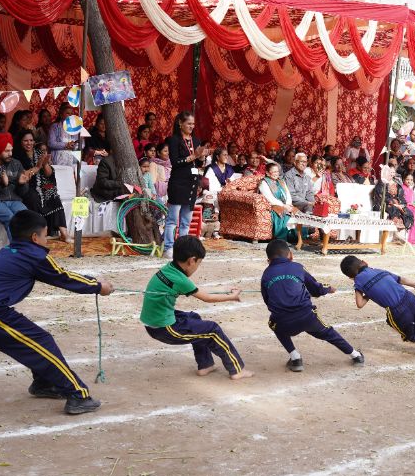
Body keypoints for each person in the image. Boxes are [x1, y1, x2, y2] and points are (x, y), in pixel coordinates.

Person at [0, 211, 112, 414]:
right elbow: (64, 277)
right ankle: (77, 395)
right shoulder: (34, 255)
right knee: (42, 343)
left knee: (35, 342)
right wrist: (98, 286)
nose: (46, 239)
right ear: (34, 237)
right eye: (45, 235)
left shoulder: (10, 251)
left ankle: (44, 383)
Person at [139, 235, 252, 379]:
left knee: (195, 318)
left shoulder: (169, 268)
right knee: (213, 329)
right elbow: (207, 298)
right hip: (163, 328)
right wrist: (232, 297)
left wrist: (224, 289)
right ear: (191, 260)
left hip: (154, 322)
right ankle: (237, 370)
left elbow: (196, 290)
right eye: (198, 263)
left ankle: (205, 365)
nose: (197, 267)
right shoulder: (180, 279)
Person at [261, 239, 364, 372]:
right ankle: (356, 355)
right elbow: (316, 289)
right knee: (328, 332)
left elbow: (267, 300)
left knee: (273, 323)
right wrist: (328, 289)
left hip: (282, 321)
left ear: (268, 260)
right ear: (290, 255)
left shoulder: (266, 274)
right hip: (307, 317)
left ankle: (295, 358)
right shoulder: (297, 267)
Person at [340, 255, 415, 362]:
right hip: (410, 298)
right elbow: (400, 279)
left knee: (409, 334)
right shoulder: (378, 270)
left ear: (350, 276)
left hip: (397, 310)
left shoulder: (358, 281)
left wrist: (369, 293)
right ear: (363, 262)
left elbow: (359, 304)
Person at [163, 111, 211, 259]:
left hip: (192, 183)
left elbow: (198, 163)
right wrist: (194, 156)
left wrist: (202, 158)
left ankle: (181, 250)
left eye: (193, 124)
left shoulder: (196, 140)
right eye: (189, 123)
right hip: (178, 182)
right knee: (172, 220)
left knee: (186, 221)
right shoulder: (173, 140)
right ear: (180, 123)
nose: (192, 126)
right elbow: (176, 162)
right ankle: (168, 247)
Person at [14, 130, 68, 241]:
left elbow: (49, 174)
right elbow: (23, 175)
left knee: (53, 196)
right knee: (34, 199)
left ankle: (64, 234)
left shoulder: (39, 153)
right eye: (25, 141)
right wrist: (37, 167)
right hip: (27, 187)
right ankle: (41, 233)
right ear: (20, 142)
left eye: (31, 140)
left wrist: (44, 164)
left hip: (43, 186)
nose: (29, 143)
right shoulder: (17, 157)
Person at [259, 161, 293, 241]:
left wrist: (288, 204)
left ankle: (297, 236)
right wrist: (284, 206)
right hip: (274, 206)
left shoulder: (281, 181)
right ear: (267, 173)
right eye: (274, 171)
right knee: (284, 213)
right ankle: (282, 236)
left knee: (296, 212)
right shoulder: (264, 182)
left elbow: (288, 194)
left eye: (277, 171)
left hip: (286, 205)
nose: (276, 173)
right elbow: (269, 198)